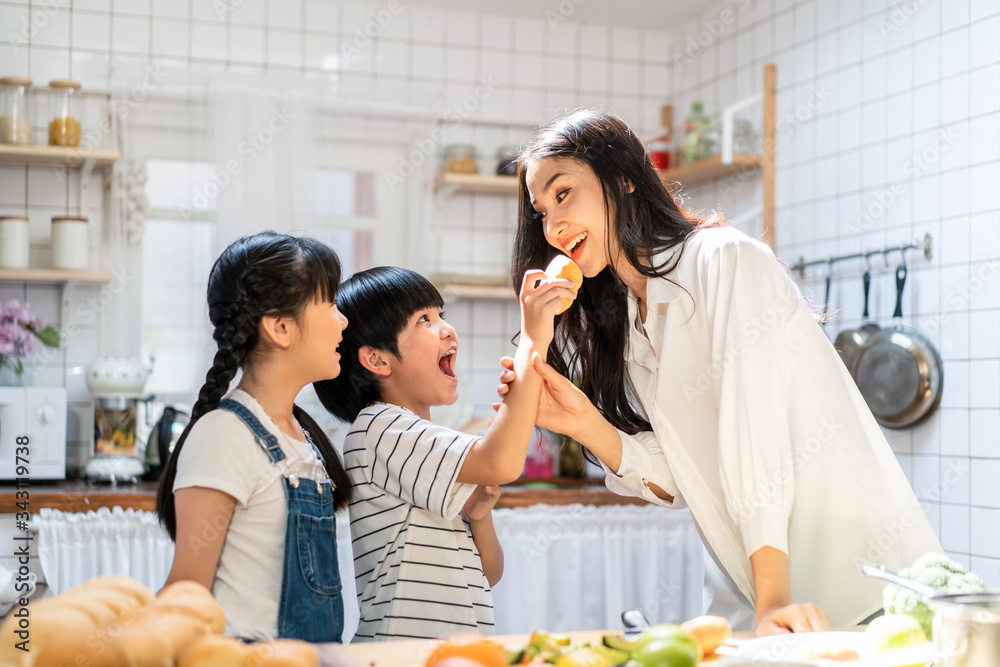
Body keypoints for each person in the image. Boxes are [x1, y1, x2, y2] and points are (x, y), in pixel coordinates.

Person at [497, 109, 943, 635]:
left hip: (862, 587)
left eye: (563, 193)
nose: (551, 225)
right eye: (541, 211)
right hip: (758, 592)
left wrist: (774, 599)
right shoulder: (636, 321)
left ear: (622, 181)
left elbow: (756, 429)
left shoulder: (723, 260)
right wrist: (583, 422)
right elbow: (683, 474)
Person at [314, 265, 574, 641]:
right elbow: (500, 461)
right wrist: (532, 340)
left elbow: (489, 573)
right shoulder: (379, 428)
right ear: (377, 360)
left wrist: (479, 518)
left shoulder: (423, 443)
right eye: (424, 319)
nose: (446, 328)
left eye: (441, 315)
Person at [156, 231, 353, 642]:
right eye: (331, 303)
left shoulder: (301, 435)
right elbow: (184, 595)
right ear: (281, 327)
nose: (343, 319)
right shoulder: (222, 435)